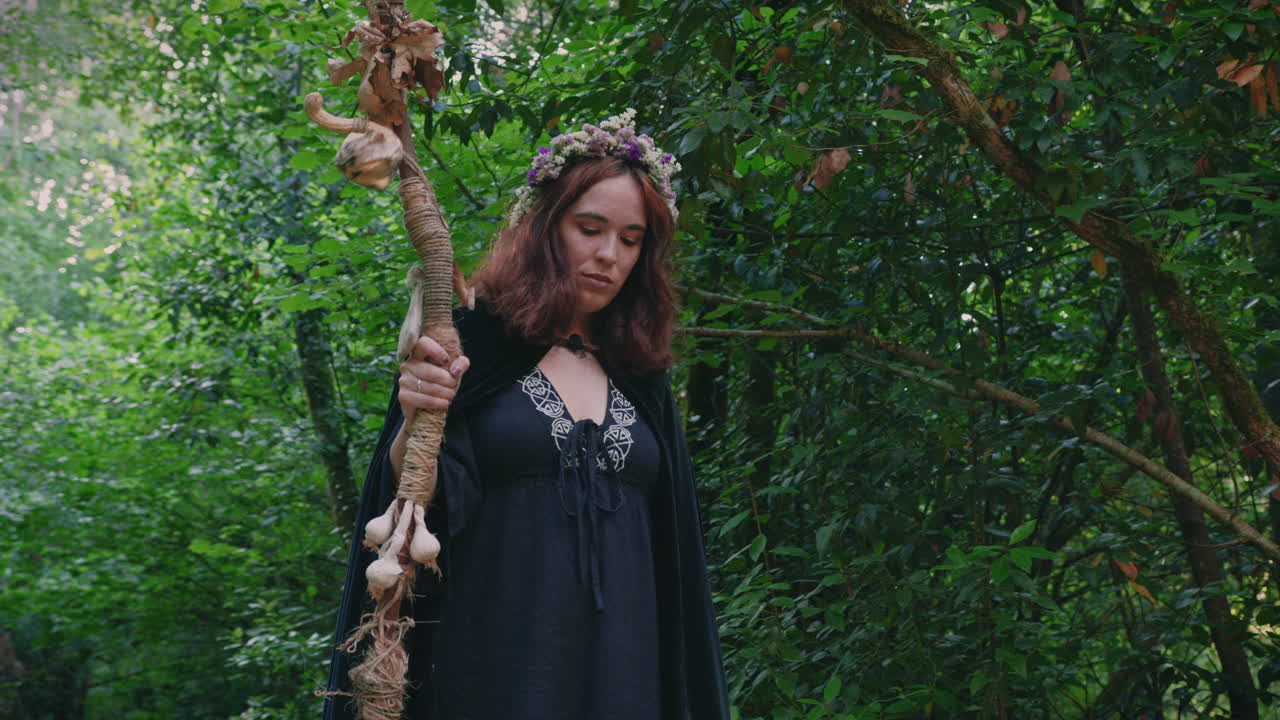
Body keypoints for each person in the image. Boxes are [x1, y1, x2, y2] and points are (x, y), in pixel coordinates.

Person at [321, 110, 730, 720]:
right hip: (498, 666)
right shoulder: (470, 343)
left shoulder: (641, 373)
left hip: (630, 671)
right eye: (589, 228)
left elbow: (675, 558)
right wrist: (415, 416)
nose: (608, 255)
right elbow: (417, 501)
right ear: (547, 226)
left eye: (630, 238)